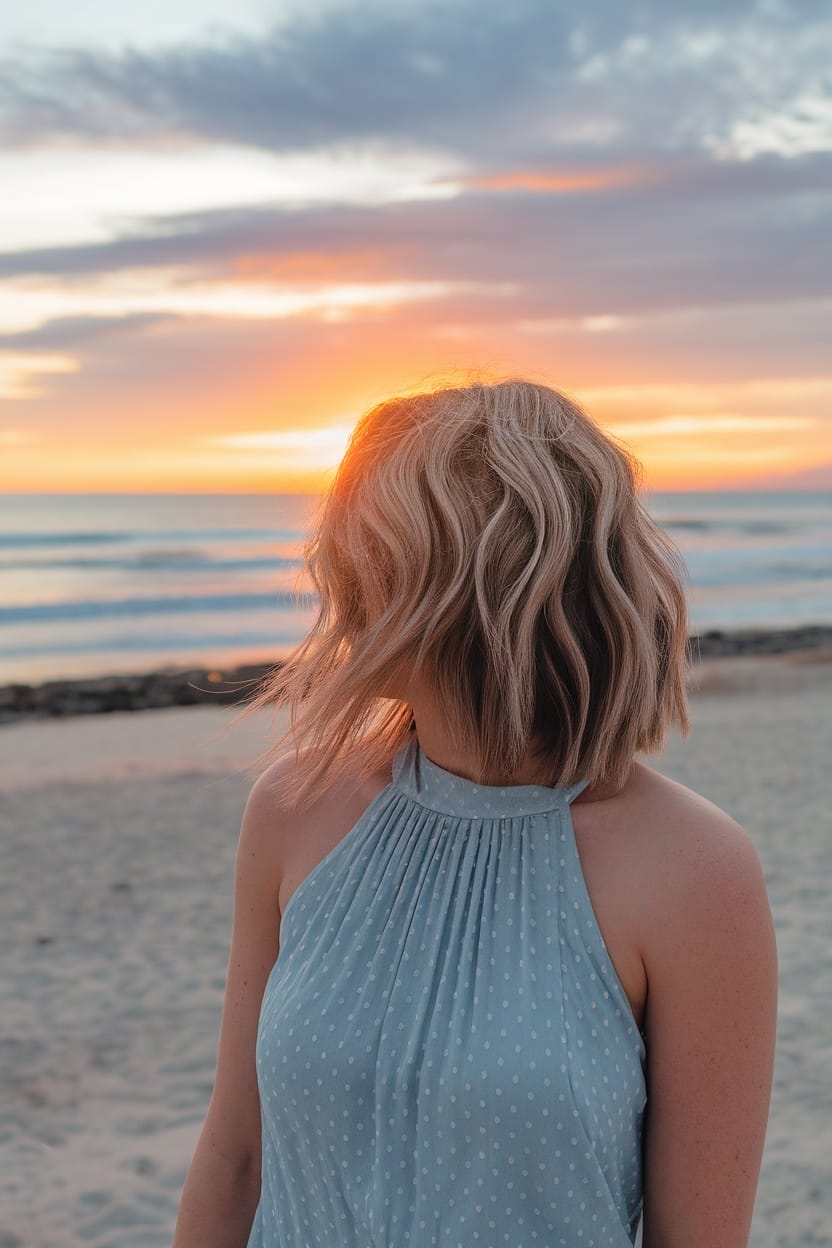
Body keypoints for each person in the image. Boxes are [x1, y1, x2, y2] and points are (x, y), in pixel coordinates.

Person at [172, 378, 778, 1248]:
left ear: (468, 589)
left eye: (363, 554)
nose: (328, 577)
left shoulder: (694, 870)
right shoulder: (296, 807)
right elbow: (238, 1156)